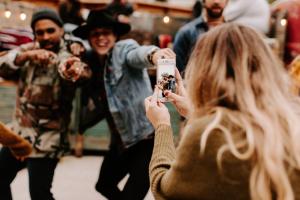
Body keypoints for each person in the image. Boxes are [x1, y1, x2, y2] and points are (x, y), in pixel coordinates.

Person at [145, 23, 300, 199]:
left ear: (205, 72)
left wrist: (162, 125)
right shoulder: (291, 124)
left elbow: (164, 192)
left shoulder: (209, 134)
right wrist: (196, 112)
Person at [72, 9, 175, 200]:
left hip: (145, 140)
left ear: (115, 35)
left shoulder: (123, 49)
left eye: (106, 33)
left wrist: (155, 54)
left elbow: (137, 54)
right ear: (89, 38)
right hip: (120, 142)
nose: (101, 38)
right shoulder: (92, 60)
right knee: (103, 185)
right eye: (95, 34)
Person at [0, 8, 91, 200]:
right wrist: (28, 56)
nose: (46, 36)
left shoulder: (70, 50)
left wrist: (72, 70)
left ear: (61, 30)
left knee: (39, 194)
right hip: (20, 130)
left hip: (49, 137)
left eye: (51, 30)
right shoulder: (30, 48)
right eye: (40, 32)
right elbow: (3, 66)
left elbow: (76, 69)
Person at [173, 0, 228, 72]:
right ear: (203, 1)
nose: (216, 1)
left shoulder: (235, 34)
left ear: (227, 1)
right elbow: (178, 71)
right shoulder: (186, 32)